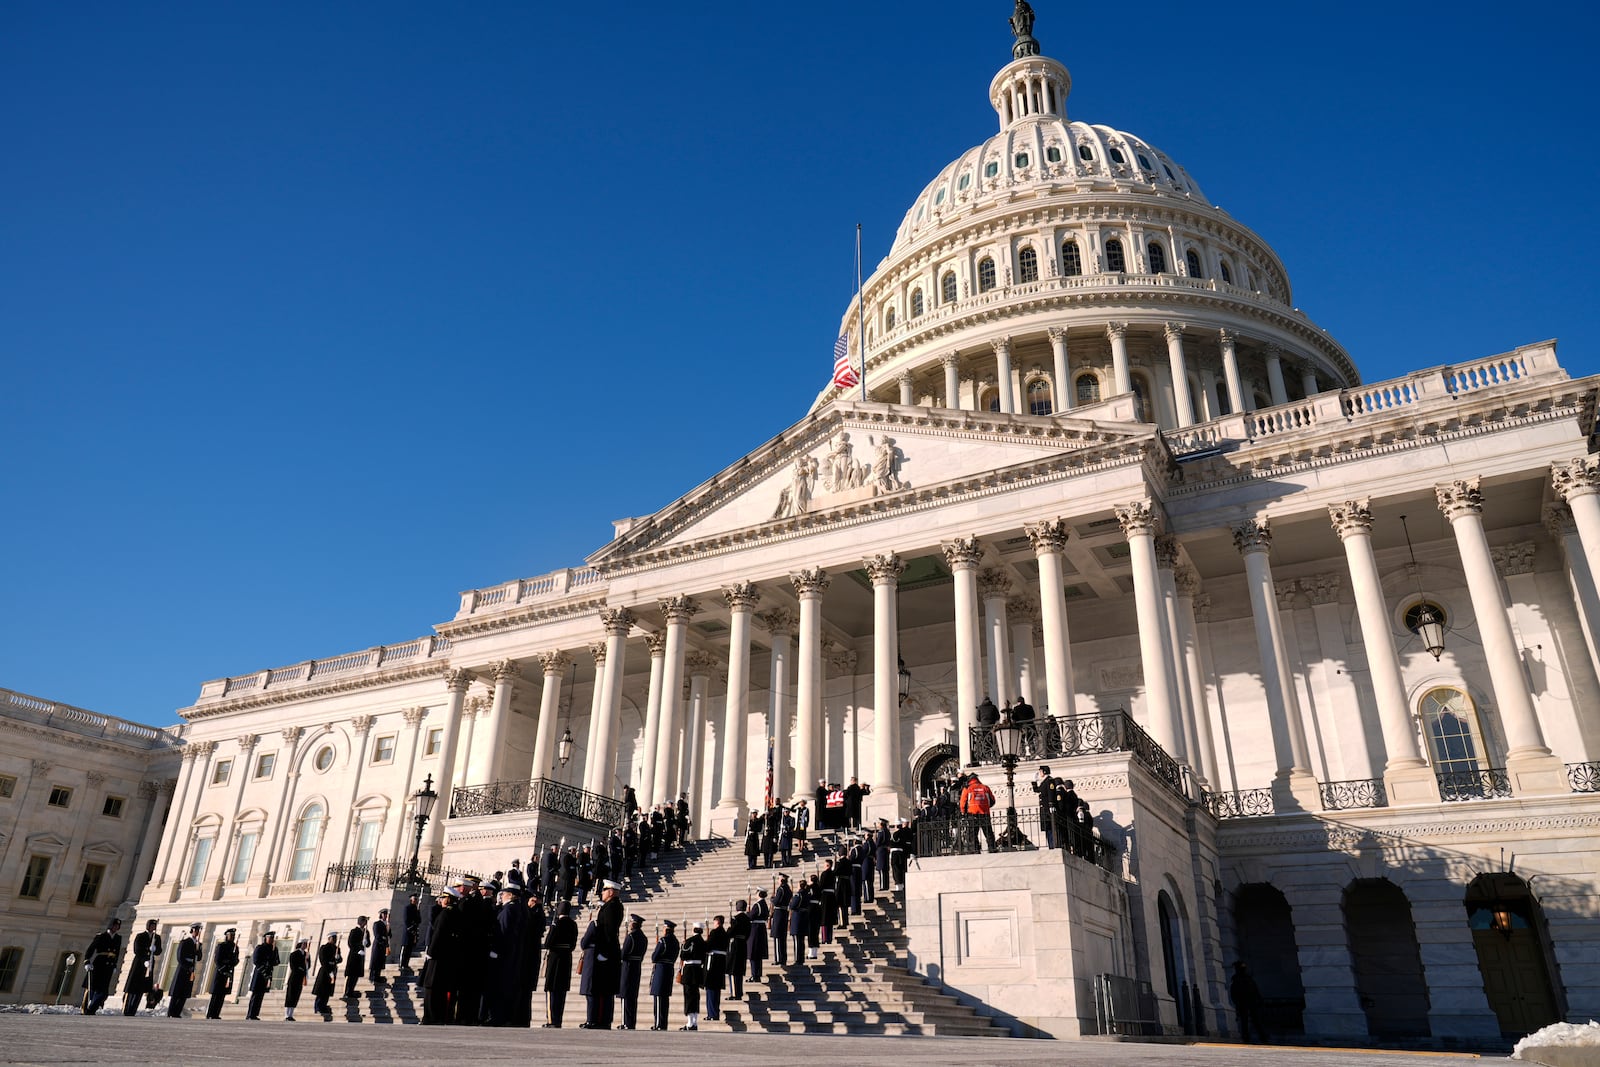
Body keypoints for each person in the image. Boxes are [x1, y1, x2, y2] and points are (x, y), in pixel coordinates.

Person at [421, 889, 461, 1024]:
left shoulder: (445, 914)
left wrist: (430, 952)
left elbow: (438, 934)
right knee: (441, 988)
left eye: (443, 898)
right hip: (449, 956)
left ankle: (430, 1017)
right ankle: (438, 1016)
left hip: (438, 956)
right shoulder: (456, 913)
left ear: (448, 899)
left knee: (431, 986)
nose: (441, 900)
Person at [486, 887, 524, 1025]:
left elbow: (503, 931)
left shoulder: (509, 909)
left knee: (499, 986)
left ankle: (496, 1017)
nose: (501, 896)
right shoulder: (516, 908)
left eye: (504, 894)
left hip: (502, 954)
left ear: (511, 895)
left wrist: (496, 950)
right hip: (510, 953)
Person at [542, 902, 578, 1027]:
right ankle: (559, 1019)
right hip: (566, 957)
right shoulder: (573, 924)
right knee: (561, 990)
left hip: (555, 958)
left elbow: (548, 942)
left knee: (551, 989)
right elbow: (573, 944)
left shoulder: (556, 923)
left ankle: (552, 1020)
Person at [515, 890, 546, 1026]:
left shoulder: (536, 914)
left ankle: (522, 1018)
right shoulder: (531, 913)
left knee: (524, 990)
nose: (532, 904)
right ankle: (522, 1018)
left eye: (534, 901)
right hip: (528, 955)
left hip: (529, 956)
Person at [80, 918, 122, 1014]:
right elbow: (91, 949)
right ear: (110, 926)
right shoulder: (101, 936)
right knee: (92, 987)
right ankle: (85, 1008)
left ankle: (92, 1009)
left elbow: (117, 952)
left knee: (103, 991)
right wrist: (87, 961)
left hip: (109, 966)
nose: (116, 928)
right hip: (99, 964)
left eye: (117, 926)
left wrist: (115, 964)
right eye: (114, 925)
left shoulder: (118, 938)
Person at [124, 918, 163, 1016]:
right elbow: (137, 950)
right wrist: (145, 958)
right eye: (152, 925)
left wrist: (155, 949)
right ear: (148, 926)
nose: (153, 927)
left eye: (154, 926)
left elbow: (159, 951)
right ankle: (127, 1009)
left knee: (141, 988)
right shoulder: (140, 936)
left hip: (149, 965)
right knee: (133, 987)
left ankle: (133, 1009)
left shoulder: (156, 937)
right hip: (139, 964)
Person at [167, 923, 203, 1017]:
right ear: (192, 931)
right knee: (177, 993)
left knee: (184, 993)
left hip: (191, 971)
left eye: (198, 931)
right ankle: (171, 1012)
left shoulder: (198, 944)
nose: (197, 933)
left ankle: (177, 1012)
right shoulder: (185, 942)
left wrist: (198, 949)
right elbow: (180, 957)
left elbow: (199, 958)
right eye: (196, 930)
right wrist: (187, 966)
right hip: (183, 970)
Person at [648, 920, 679, 1031]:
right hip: (669, 969)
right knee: (665, 999)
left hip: (661, 969)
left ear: (666, 929)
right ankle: (663, 1023)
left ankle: (658, 1024)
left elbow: (654, 957)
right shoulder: (676, 941)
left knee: (658, 997)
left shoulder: (663, 940)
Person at [619, 913, 648, 1030]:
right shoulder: (644, 938)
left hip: (628, 966)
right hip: (637, 966)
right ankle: (631, 1022)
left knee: (625, 994)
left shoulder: (631, 937)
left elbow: (624, 953)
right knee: (633, 995)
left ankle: (625, 1022)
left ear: (634, 924)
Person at [205, 928, 240, 1019]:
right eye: (230, 935)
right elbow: (217, 960)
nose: (232, 937)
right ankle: (210, 1014)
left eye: (233, 935)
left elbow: (236, 960)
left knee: (222, 995)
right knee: (216, 995)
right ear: (226, 936)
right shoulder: (221, 946)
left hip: (228, 973)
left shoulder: (235, 947)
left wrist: (234, 961)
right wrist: (224, 967)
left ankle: (216, 1014)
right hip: (220, 973)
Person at [1230, 961, 1267, 1043]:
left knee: (1253, 1020)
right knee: (1246, 1021)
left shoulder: (1246, 979)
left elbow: (1255, 991)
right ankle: (1248, 1037)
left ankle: (1260, 1036)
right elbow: (1234, 994)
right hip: (1244, 1003)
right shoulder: (1238, 979)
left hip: (1250, 1002)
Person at [245, 930, 279, 1020]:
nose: (271, 940)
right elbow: (256, 961)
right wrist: (265, 966)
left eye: (272, 938)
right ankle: (250, 1014)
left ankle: (255, 1014)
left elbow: (276, 962)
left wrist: (273, 957)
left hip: (267, 974)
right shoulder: (260, 947)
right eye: (270, 938)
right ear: (265, 938)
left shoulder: (274, 949)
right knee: (255, 995)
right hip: (260, 974)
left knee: (261, 995)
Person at [678, 921, 706, 1030]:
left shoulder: (690, 941)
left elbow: (683, 955)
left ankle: (690, 1023)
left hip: (689, 971)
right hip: (698, 970)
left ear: (693, 930)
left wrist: (683, 945)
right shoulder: (703, 942)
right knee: (695, 996)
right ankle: (694, 1022)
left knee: (689, 996)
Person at [961, 772, 997, 853]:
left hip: (972, 813)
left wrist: (963, 812)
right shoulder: (985, 788)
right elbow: (993, 800)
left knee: (973, 833)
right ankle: (992, 848)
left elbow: (963, 802)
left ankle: (975, 849)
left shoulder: (967, 788)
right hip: (985, 813)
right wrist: (986, 807)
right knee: (988, 832)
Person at [704, 915, 729, 1021]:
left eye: (714, 922)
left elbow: (708, 946)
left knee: (711, 988)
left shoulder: (715, 932)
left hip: (713, 961)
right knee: (716, 990)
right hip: (721, 962)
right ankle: (714, 1012)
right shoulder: (725, 933)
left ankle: (712, 1013)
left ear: (717, 922)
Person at [312, 932, 341, 1015]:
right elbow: (323, 960)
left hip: (332, 971)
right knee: (321, 991)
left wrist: (338, 958)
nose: (335, 940)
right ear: (329, 939)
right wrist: (329, 970)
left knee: (327, 991)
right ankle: (318, 1007)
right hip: (325, 971)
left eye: (335, 938)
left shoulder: (336, 949)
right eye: (333, 938)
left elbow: (339, 960)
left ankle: (323, 1006)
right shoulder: (324, 947)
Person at [342, 915, 369, 1000]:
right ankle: (347, 992)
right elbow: (351, 943)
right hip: (354, 956)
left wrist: (366, 942)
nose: (365, 923)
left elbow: (368, 944)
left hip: (360, 957)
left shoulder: (366, 932)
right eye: (364, 921)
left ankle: (351, 991)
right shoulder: (354, 931)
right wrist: (358, 950)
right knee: (350, 976)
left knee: (356, 976)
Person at [727, 902, 749, 1000]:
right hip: (743, 944)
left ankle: (734, 994)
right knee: (739, 970)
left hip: (735, 944)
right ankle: (739, 992)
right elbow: (749, 932)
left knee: (733, 970)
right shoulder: (747, 919)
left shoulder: (736, 919)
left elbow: (731, 932)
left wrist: (729, 928)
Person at [746, 890, 769, 981]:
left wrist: (747, 913)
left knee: (753, 953)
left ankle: (754, 974)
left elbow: (751, 916)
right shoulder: (764, 904)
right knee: (758, 954)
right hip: (761, 928)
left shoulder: (758, 905)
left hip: (755, 929)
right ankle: (757, 974)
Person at [283, 938, 309, 1021]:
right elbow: (293, 966)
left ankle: (291, 1014)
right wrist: (301, 968)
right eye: (304, 944)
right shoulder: (294, 954)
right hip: (294, 976)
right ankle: (287, 1015)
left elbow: (308, 966)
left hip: (300, 978)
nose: (305, 945)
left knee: (296, 996)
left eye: (306, 944)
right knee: (290, 995)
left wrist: (307, 961)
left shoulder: (306, 954)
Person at [771, 874, 792, 966]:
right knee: (782, 937)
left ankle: (778, 958)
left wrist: (772, 899)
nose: (778, 880)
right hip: (784, 912)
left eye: (779, 878)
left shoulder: (781, 889)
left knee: (777, 936)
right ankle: (783, 958)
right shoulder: (788, 889)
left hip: (779, 912)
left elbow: (776, 901)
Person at [400, 894, 422, 975]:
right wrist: (411, 927)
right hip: (408, 931)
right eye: (414, 899)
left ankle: (406, 964)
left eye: (416, 899)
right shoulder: (407, 908)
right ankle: (402, 964)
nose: (416, 901)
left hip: (413, 932)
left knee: (409, 950)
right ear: (411, 900)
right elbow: (406, 920)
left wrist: (418, 911)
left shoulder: (416, 909)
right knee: (405, 949)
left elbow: (419, 920)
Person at [369, 908, 391, 986]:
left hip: (384, 946)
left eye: (386, 914)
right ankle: (372, 977)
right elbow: (377, 935)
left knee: (380, 962)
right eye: (384, 914)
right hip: (378, 945)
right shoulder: (377, 923)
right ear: (381, 915)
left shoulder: (387, 924)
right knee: (375, 961)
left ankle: (377, 977)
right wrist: (383, 939)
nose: (385, 916)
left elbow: (389, 935)